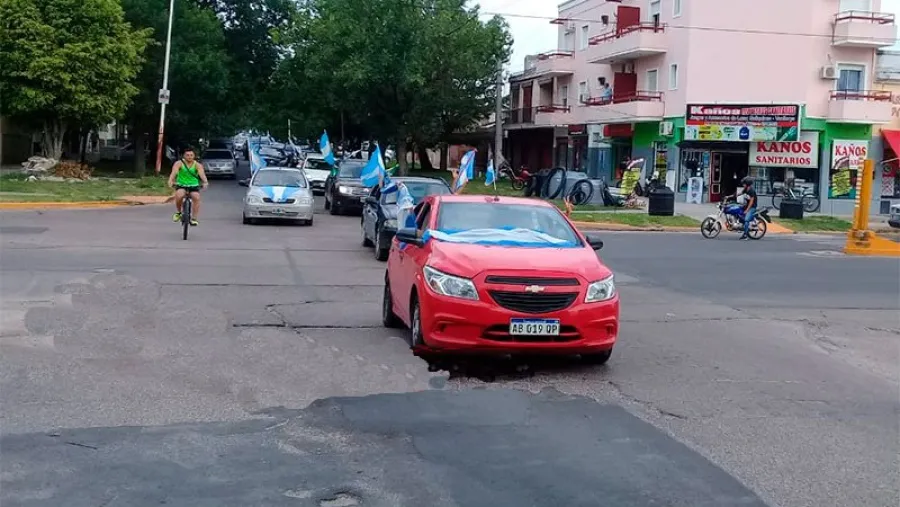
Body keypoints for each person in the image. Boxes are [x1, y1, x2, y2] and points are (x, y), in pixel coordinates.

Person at [168, 147, 208, 226]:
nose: (189, 157)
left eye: (191, 155)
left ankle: (194, 218)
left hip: (193, 185)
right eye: (187, 155)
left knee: (196, 197)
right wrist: (171, 180)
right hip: (181, 184)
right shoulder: (179, 163)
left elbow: (201, 174)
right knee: (179, 195)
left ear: (194, 156)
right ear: (184, 156)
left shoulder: (197, 165)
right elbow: (174, 172)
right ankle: (179, 212)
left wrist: (205, 182)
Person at [735, 176, 757, 240]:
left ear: (747, 184)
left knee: (747, 220)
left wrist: (747, 210)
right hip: (746, 205)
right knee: (737, 210)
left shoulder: (751, 191)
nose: (743, 185)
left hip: (752, 207)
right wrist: (730, 196)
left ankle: (745, 235)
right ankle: (741, 225)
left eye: (744, 184)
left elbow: (751, 202)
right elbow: (739, 194)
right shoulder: (745, 189)